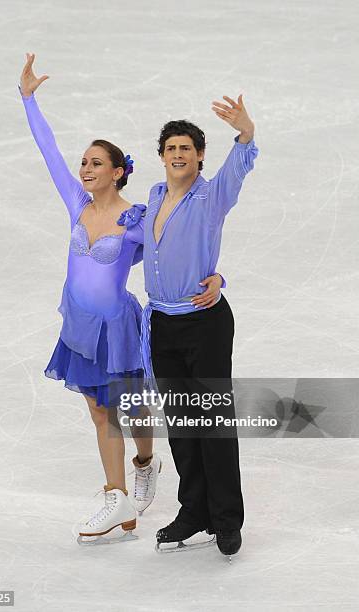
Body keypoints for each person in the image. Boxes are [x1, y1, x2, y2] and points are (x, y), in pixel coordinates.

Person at [18, 53, 223, 544]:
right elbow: (47, 151)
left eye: (95, 163)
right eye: (83, 162)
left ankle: (145, 463)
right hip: (80, 323)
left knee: (128, 409)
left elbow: (180, 246)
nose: (84, 168)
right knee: (97, 409)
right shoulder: (76, 203)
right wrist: (27, 99)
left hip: (116, 327)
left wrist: (217, 276)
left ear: (116, 172)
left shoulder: (136, 219)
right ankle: (117, 499)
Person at [141, 94, 259, 557]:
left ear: (200, 155)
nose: (178, 155)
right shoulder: (152, 197)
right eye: (171, 148)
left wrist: (246, 133)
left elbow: (238, 168)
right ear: (162, 156)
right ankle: (194, 513)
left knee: (212, 422)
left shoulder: (211, 196)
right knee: (182, 426)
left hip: (205, 323)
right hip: (163, 327)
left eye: (186, 148)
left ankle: (226, 520)